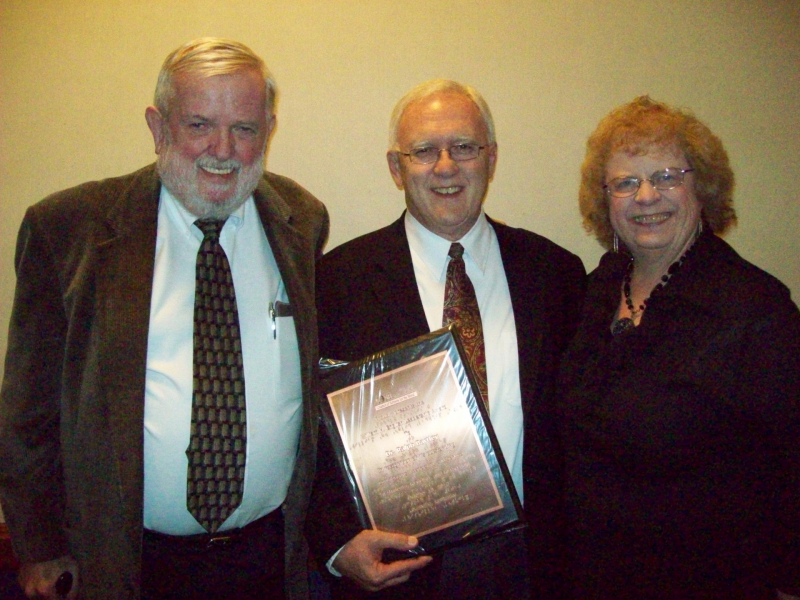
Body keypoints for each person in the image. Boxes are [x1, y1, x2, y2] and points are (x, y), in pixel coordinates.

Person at [0, 38, 329, 600]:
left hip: (269, 556)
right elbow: (27, 411)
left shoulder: (302, 221)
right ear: (157, 127)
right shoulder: (69, 229)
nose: (222, 150)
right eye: (199, 124)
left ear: (269, 129)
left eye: (245, 129)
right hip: (127, 560)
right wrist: (38, 547)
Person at [306, 79, 585, 599]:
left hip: (535, 566)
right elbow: (304, 435)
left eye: (464, 147)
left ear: (491, 158)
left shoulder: (556, 274)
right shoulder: (336, 282)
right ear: (396, 167)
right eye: (424, 151)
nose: (446, 166)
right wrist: (335, 542)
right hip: (399, 572)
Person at [558, 96, 800, 599]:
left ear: (701, 187)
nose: (647, 196)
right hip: (593, 577)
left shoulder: (754, 308)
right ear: (606, 200)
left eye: (667, 176)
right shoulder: (594, 291)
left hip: (709, 579)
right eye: (625, 182)